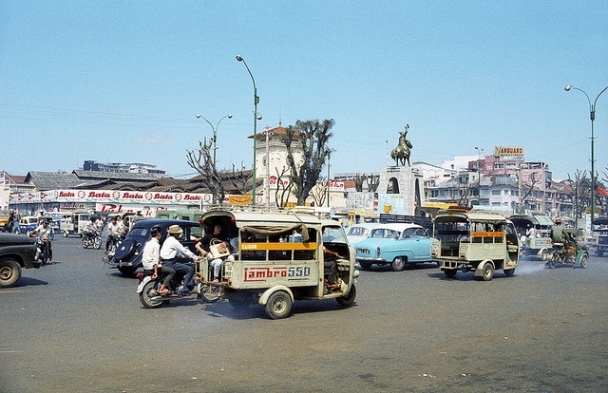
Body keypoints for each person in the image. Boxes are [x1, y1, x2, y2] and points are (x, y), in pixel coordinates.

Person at [160, 225, 198, 295]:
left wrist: (184, 257)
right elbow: (184, 250)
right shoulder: (174, 241)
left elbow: (177, 253)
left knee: (181, 268)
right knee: (190, 269)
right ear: (175, 234)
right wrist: (195, 257)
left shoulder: (168, 240)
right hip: (169, 263)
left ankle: (175, 286)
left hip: (165, 261)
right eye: (178, 233)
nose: (179, 234)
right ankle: (185, 287)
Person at [141, 226, 174, 296]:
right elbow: (155, 260)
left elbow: (149, 256)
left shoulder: (148, 243)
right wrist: (155, 272)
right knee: (172, 271)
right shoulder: (156, 244)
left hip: (146, 267)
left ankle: (165, 297)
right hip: (152, 267)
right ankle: (162, 288)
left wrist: (159, 262)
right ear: (158, 234)